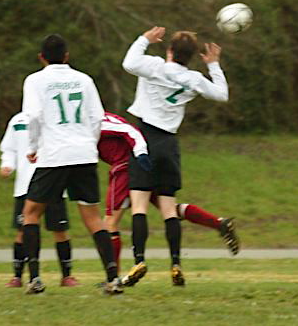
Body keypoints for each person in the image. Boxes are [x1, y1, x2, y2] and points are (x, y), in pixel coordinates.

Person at [121, 26, 229, 287]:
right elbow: (222, 94)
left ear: (169, 49)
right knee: (169, 209)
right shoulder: (194, 78)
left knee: (139, 205)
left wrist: (144, 39)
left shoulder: (155, 66)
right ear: (192, 56)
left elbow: (129, 63)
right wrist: (213, 65)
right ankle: (176, 264)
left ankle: (139, 260)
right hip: (169, 144)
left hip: (145, 139)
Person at [20, 33, 122, 295]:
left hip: (54, 154)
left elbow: (33, 116)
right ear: (67, 56)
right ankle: (113, 278)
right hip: (84, 154)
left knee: (31, 213)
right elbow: (97, 117)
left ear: (41, 57)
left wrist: (32, 147)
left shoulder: (35, 80)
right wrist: (89, 144)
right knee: (93, 218)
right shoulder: (84, 79)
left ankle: (35, 278)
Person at [98, 111, 239, 271]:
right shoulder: (98, 119)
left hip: (127, 167)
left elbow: (129, 130)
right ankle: (219, 224)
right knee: (170, 210)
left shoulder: (95, 122)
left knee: (109, 222)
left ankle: (113, 277)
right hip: (142, 160)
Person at [0, 112, 78, 288]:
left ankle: (67, 276)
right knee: (23, 231)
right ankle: (18, 276)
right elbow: (9, 148)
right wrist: (7, 164)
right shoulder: (18, 121)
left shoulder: (57, 116)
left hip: (54, 183)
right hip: (25, 186)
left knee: (59, 230)